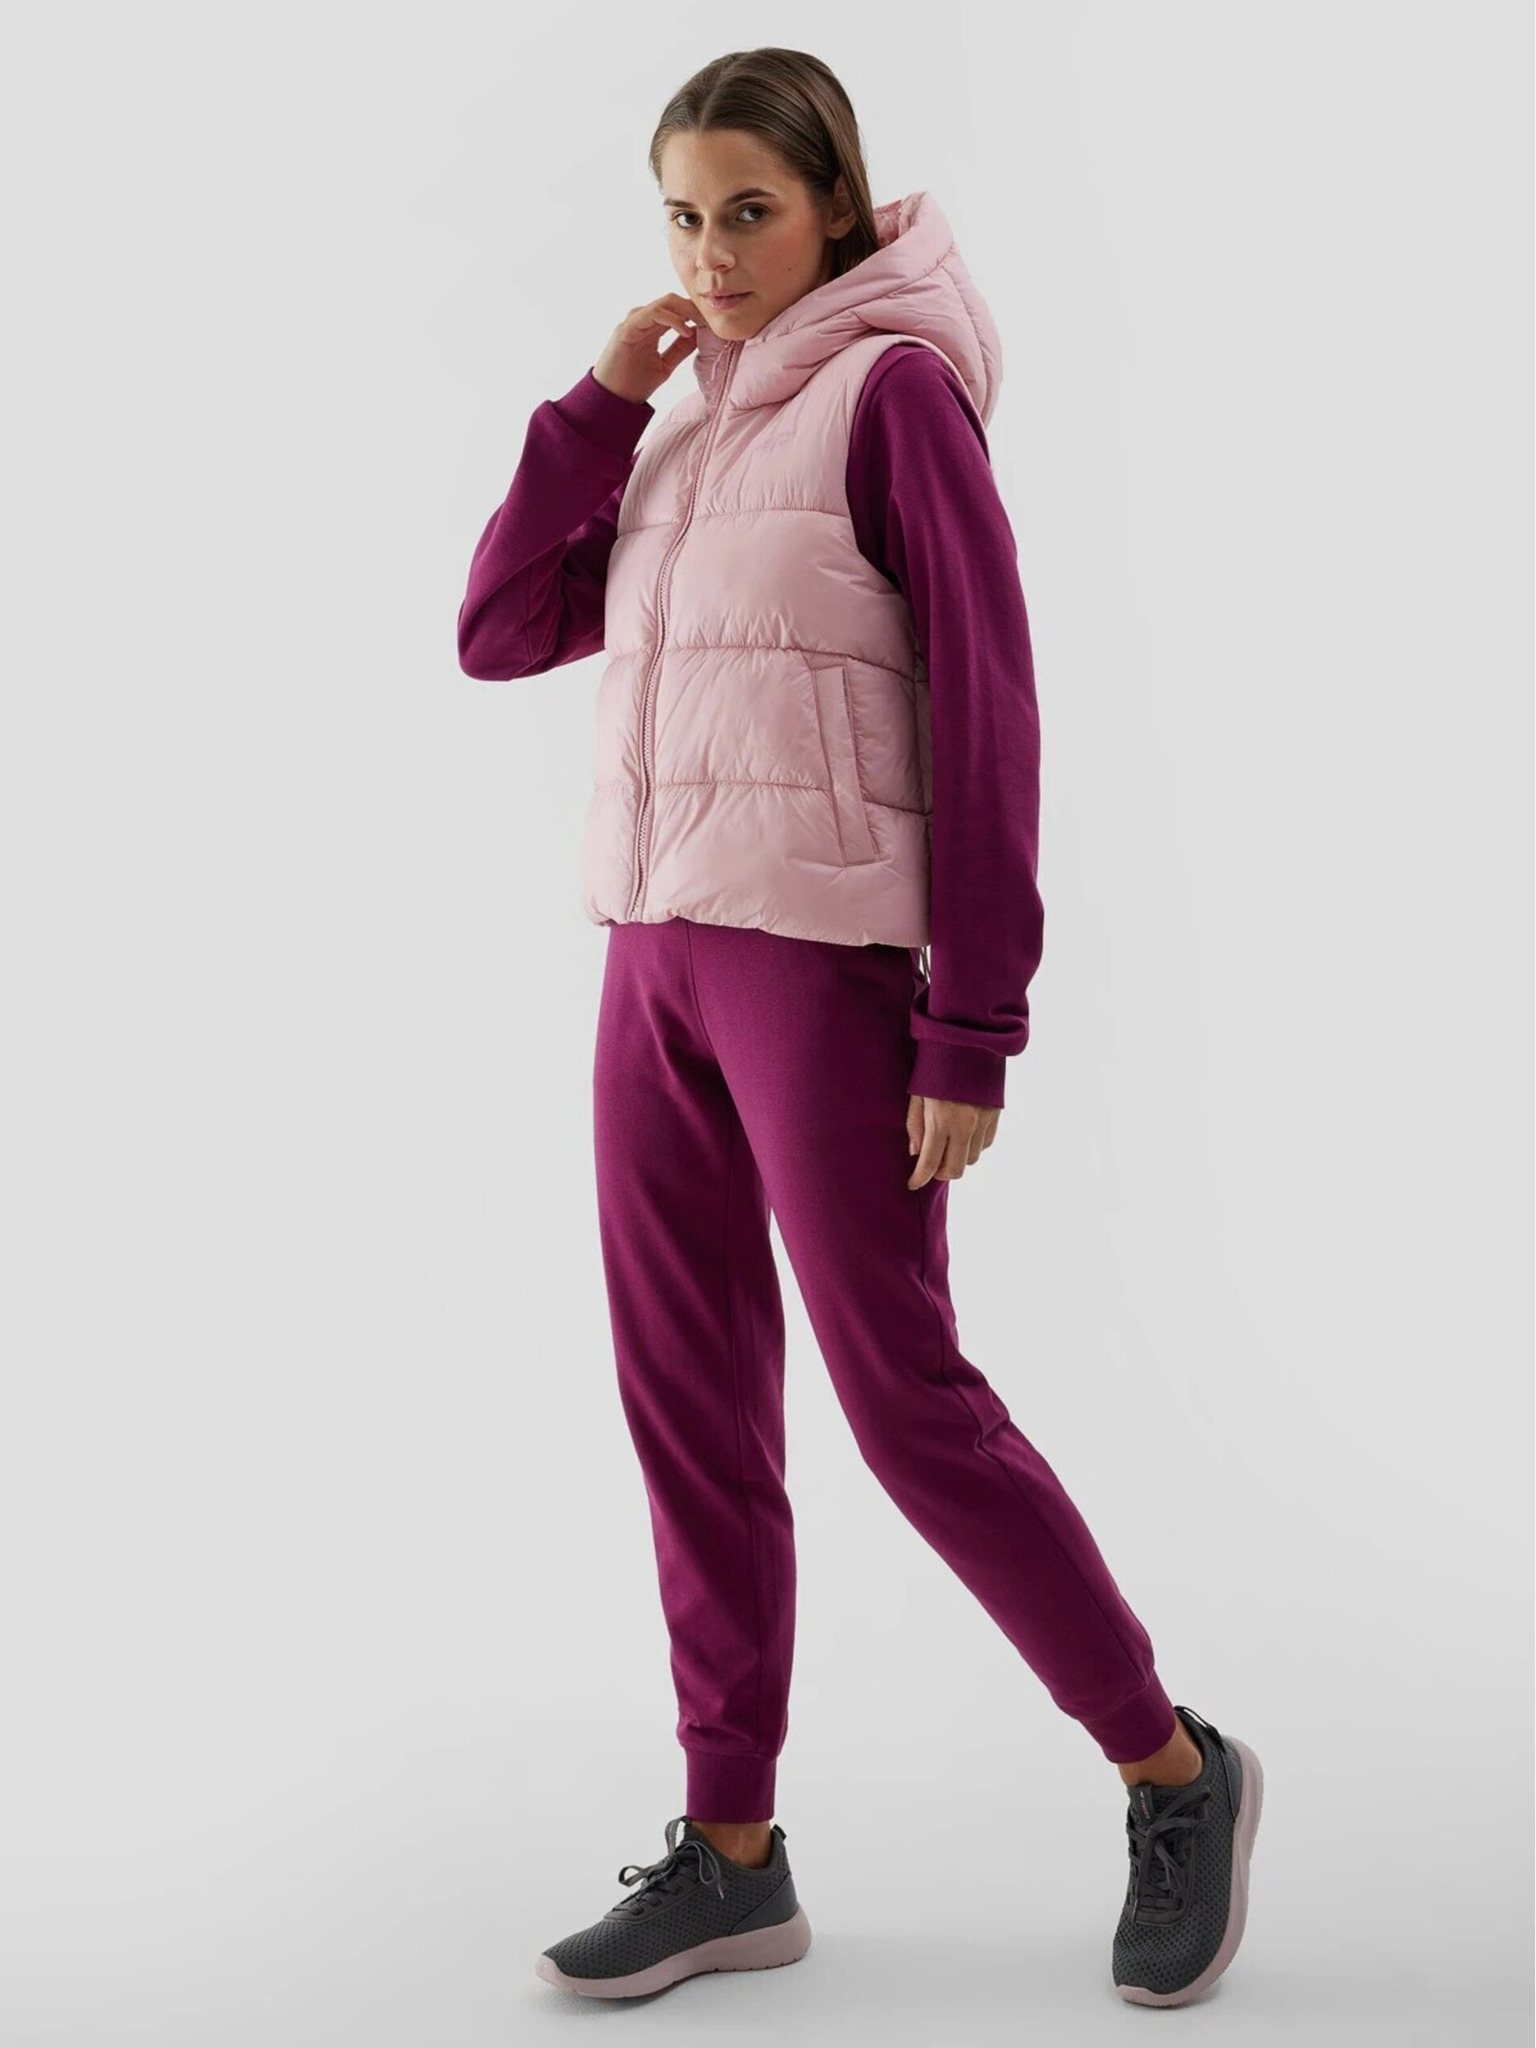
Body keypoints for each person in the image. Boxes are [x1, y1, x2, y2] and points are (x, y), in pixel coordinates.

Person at [457, 44, 1263, 2011]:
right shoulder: (685, 426)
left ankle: (1172, 1768)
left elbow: (990, 704)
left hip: (822, 972)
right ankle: (730, 1850)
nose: (711, 256)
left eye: (749, 211)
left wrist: (973, 1026)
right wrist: (599, 404)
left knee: (906, 1404)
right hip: (653, 960)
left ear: (834, 202)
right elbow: (499, 627)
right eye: (681, 216)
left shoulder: (893, 395)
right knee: (689, 1405)